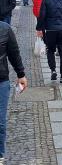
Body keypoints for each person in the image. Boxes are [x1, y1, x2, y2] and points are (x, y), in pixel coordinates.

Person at [0, 21, 28, 163]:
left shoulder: (4, 28)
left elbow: (14, 52)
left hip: (1, 81)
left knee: (0, 121)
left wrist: (21, 74)